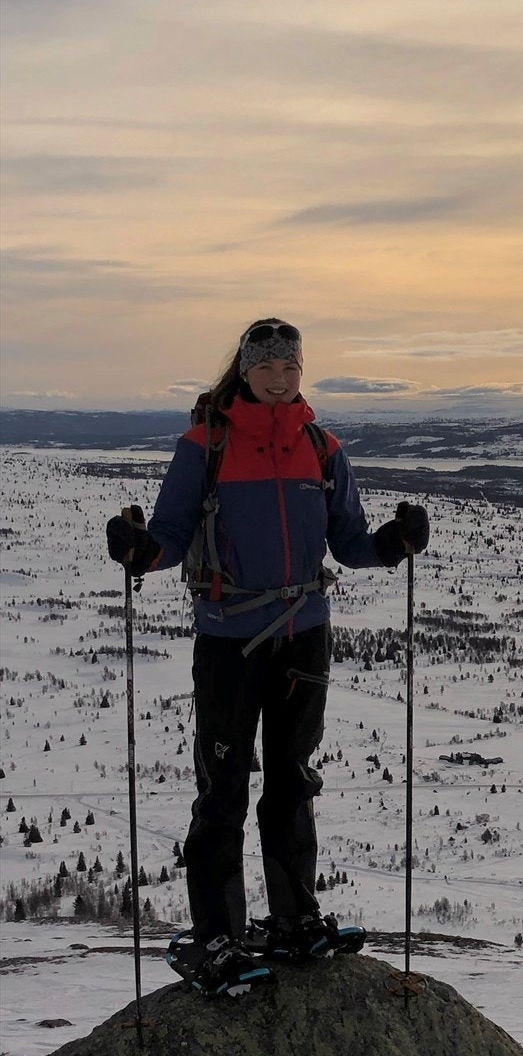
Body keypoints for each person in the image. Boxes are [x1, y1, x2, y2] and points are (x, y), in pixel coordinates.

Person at [107, 318, 429, 994]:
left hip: (304, 633)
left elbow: (348, 542)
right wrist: (141, 552)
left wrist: (394, 542)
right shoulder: (207, 444)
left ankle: (293, 918)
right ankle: (215, 936)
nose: (280, 380)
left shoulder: (321, 446)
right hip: (229, 637)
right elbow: (167, 533)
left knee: (291, 778)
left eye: (291, 368)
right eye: (267, 368)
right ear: (245, 372)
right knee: (222, 791)